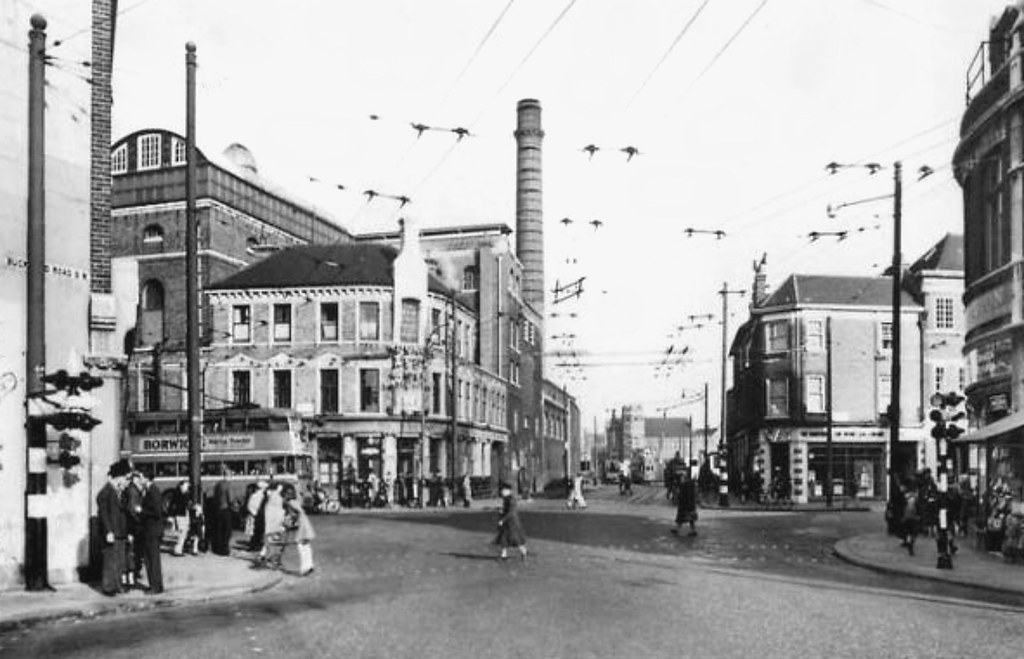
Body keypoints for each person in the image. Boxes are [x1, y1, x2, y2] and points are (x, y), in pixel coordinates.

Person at [97, 460, 130, 596]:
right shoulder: (106, 492)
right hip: (112, 532)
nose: (126, 480)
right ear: (119, 477)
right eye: (125, 477)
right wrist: (109, 531)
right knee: (110, 560)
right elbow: (104, 513)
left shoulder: (118, 491)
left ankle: (117, 585)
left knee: (119, 561)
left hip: (119, 532)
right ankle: (108, 587)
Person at [137, 471, 165, 594]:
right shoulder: (150, 490)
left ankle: (155, 587)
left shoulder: (153, 491)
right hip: (151, 530)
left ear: (146, 478)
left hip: (152, 531)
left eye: (141, 477)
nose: (139, 480)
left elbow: (157, 512)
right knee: (151, 559)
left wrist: (141, 511)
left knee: (152, 559)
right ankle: (155, 585)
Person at [282, 485, 316, 576]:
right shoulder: (295, 501)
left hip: (301, 524)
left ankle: (305, 567)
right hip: (304, 522)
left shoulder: (290, 503)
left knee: (301, 545)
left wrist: (289, 523)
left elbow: (295, 514)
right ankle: (309, 564)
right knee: (306, 545)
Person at [122, 471, 145, 589]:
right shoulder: (133, 491)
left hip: (131, 526)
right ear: (135, 479)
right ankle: (130, 579)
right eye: (140, 478)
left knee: (131, 553)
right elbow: (132, 510)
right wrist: (138, 520)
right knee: (132, 553)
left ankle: (130, 577)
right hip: (133, 527)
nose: (142, 479)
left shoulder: (134, 490)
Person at [494, 482, 527, 561]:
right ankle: (503, 555)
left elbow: (511, 512)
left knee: (515, 538)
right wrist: (501, 510)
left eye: (503, 490)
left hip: (512, 522)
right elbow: (506, 509)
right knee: (503, 537)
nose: (502, 492)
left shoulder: (511, 499)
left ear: (508, 491)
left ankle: (523, 551)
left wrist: (502, 520)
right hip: (507, 522)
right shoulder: (506, 499)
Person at [258, 482, 287, 569]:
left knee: (271, 540)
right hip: (275, 523)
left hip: (273, 523)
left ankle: (264, 556)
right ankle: (272, 559)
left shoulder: (271, 497)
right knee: (275, 542)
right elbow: (279, 509)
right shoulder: (276, 497)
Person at [211, 470, 233, 555]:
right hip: (226, 509)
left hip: (217, 509)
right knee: (227, 531)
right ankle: (224, 549)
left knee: (219, 530)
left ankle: (217, 548)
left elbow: (215, 497)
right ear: (228, 476)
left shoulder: (218, 484)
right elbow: (230, 499)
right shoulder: (228, 485)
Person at [167, 480, 191, 556]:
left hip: (181, 515)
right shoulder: (181, 495)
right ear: (181, 486)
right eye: (186, 486)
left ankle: (178, 549)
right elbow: (176, 506)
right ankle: (178, 550)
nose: (187, 487)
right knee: (182, 533)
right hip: (180, 515)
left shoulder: (178, 494)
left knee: (182, 533)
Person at [672, 467, 699, 536]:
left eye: (682, 478)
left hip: (686, 505)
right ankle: (678, 529)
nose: (681, 479)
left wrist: (678, 498)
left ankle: (679, 529)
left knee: (684, 517)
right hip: (689, 505)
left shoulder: (686, 485)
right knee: (688, 518)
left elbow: (683, 495)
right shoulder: (688, 484)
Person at [246, 478, 269, 551]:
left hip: (258, 515)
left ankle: (255, 545)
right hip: (257, 516)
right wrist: (255, 514)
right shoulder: (258, 495)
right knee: (256, 532)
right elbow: (251, 506)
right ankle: (255, 545)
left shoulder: (256, 495)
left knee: (256, 532)